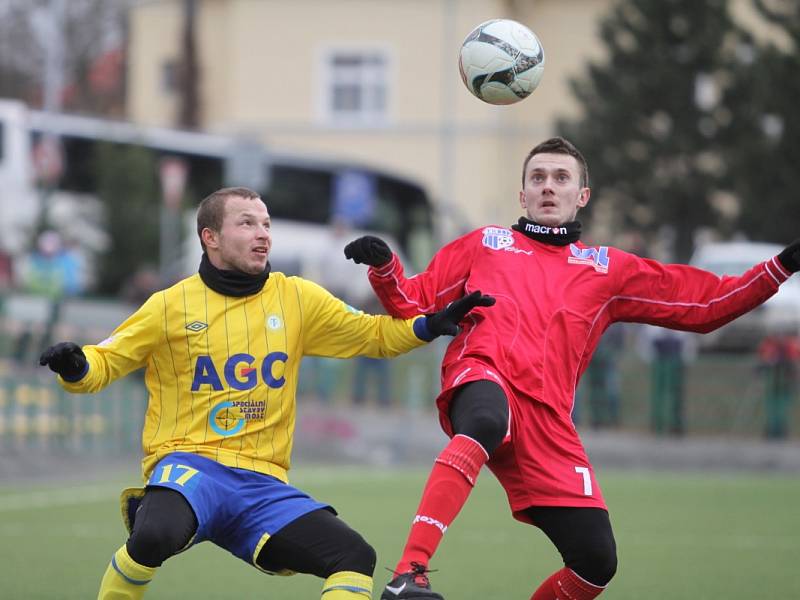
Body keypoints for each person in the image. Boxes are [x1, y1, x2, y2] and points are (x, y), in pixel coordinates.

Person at [343, 137, 800, 600]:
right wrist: (385, 267)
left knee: (596, 562)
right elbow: (413, 302)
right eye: (537, 178)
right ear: (521, 195)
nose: (548, 187)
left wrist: (782, 267)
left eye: (561, 178)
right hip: (484, 374)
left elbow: (704, 306)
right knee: (484, 419)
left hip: (548, 419)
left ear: (582, 195)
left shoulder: (607, 269)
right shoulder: (485, 244)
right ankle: (409, 574)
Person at [38, 186, 494, 600]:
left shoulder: (297, 298)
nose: (263, 234)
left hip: (262, 485)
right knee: (153, 535)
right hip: (190, 465)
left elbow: (372, 335)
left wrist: (429, 325)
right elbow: (105, 362)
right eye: (247, 223)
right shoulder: (169, 305)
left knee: (355, 558)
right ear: (210, 237)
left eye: (267, 224)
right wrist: (77, 366)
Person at [757, 328, 800, 440]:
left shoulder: (790, 346)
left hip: (785, 382)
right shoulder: (770, 346)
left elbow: (794, 364)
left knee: (781, 407)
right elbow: (764, 361)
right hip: (774, 382)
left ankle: (779, 430)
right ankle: (773, 429)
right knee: (773, 407)